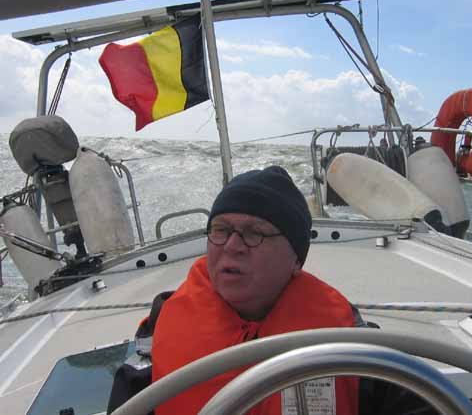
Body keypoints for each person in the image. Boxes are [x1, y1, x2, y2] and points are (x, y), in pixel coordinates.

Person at [151, 165, 361, 415]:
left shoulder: (351, 342)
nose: (231, 246)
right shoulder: (158, 324)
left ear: (296, 260)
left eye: (254, 233)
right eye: (221, 230)